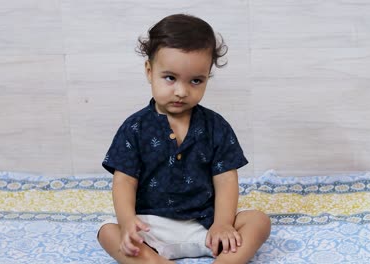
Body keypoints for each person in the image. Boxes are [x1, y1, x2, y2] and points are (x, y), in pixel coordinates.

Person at [97, 13, 271, 264]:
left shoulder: (215, 126)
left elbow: (225, 180)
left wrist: (222, 223)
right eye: (170, 78)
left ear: (207, 77)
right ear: (149, 71)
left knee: (258, 221)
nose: (181, 91)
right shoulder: (135, 127)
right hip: (151, 226)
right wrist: (127, 223)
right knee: (107, 231)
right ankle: (153, 260)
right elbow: (124, 182)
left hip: (205, 225)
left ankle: (226, 261)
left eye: (196, 81)